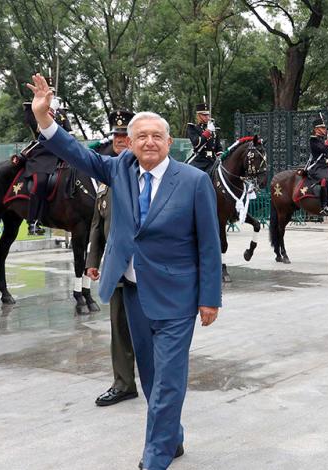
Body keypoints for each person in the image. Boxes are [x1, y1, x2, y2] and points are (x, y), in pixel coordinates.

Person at [27, 74, 221, 470]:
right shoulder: (119, 170)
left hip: (177, 298)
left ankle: (156, 454)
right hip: (132, 292)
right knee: (149, 376)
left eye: (157, 136)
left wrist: (209, 299)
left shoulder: (194, 182)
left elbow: (208, 244)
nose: (149, 142)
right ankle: (174, 436)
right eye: (141, 136)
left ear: (169, 143)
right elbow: (78, 154)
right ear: (129, 143)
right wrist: (45, 119)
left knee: (168, 379)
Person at [86, 109, 139, 407]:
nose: (120, 140)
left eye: (125, 136)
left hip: (146, 266)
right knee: (118, 328)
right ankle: (123, 383)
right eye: (116, 136)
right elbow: (98, 222)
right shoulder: (107, 177)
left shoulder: (142, 172)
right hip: (117, 268)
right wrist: (93, 260)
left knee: (153, 327)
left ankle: (161, 381)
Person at [22, 89, 71, 236]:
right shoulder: (34, 110)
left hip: (62, 153)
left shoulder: (60, 113)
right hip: (43, 155)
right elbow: (38, 130)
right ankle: (33, 221)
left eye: (52, 93)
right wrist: (47, 112)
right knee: (41, 182)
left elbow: (69, 131)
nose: (51, 96)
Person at [306, 117, 328, 215]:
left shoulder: (323, 140)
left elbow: (327, 156)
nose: (325, 129)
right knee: (325, 179)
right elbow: (323, 149)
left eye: (324, 128)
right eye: (322, 128)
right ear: (316, 129)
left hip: (326, 167)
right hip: (317, 167)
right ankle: (324, 205)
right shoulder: (313, 140)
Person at [186, 103, 222, 173]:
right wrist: (208, 132)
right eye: (204, 115)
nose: (207, 117)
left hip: (213, 161)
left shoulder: (214, 128)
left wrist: (221, 157)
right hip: (200, 160)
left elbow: (218, 146)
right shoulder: (193, 128)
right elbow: (196, 143)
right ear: (199, 116)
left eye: (208, 114)